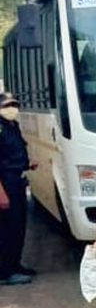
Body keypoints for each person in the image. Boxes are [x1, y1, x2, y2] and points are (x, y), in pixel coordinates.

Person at [0, 93, 37, 286]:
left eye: (14, 104)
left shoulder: (12, 126)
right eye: (7, 105)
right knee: (6, 230)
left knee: (18, 227)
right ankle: (5, 273)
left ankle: (15, 265)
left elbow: (13, 153)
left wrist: (27, 164)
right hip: (5, 184)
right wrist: (1, 194)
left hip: (17, 181)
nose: (12, 109)